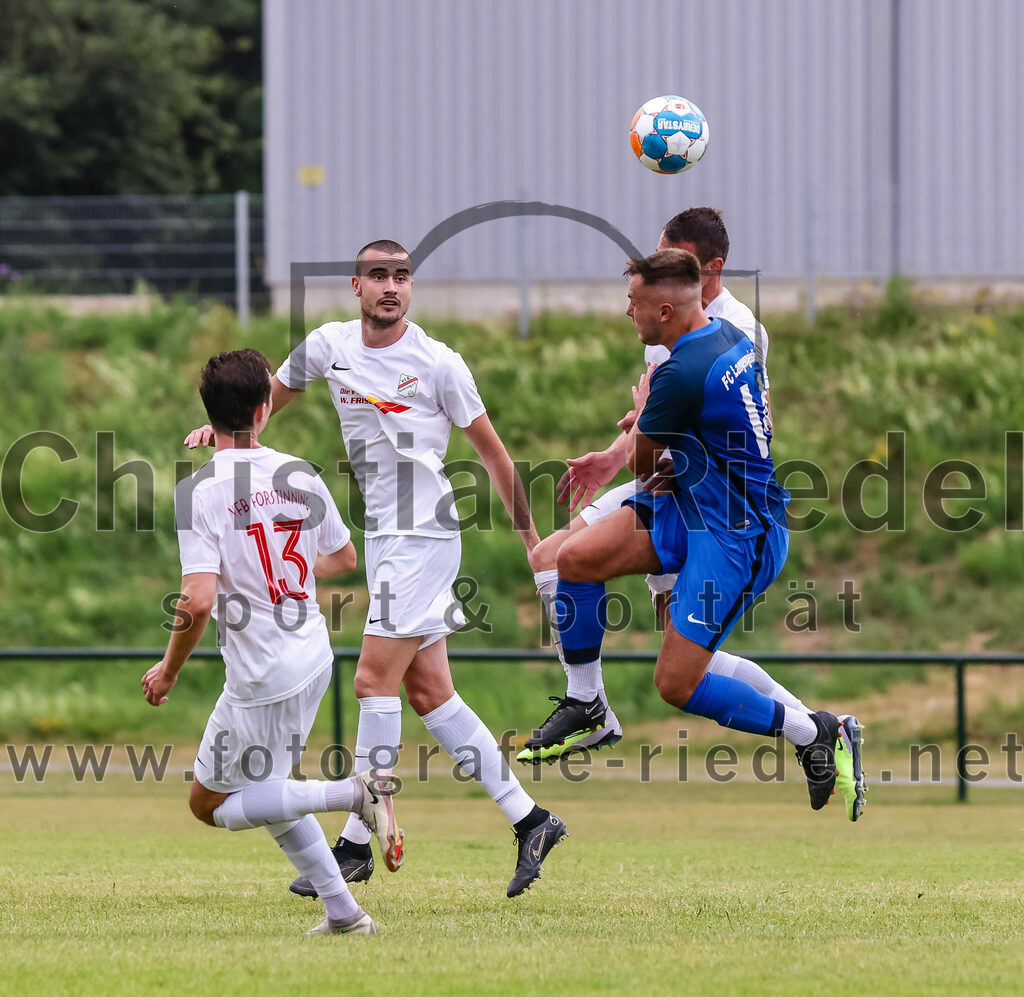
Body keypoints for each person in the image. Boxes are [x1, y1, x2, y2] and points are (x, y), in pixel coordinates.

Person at [185, 242, 567, 898]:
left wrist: (533, 540)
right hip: (386, 535)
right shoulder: (329, 344)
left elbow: (497, 456)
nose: (391, 286)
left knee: (370, 679)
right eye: (379, 276)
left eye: (402, 276)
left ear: (409, 287)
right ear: (356, 285)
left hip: (424, 533)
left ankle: (357, 843)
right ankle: (531, 818)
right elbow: (269, 394)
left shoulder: (440, 364)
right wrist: (220, 428)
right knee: (430, 694)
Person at [520, 209, 865, 823]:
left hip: (737, 535)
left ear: (664, 312)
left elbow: (643, 467)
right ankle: (587, 704)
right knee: (571, 559)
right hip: (694, 501)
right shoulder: (727, 336)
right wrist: (662, 425)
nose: (628, 312)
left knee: (676, 683)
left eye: (634, 302)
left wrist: (653, 419)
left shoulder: (683, 367)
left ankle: (814, 731)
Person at [143, 348, 403, 937]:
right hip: (311, 655)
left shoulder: (199, 491)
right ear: (265, 410)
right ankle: (346, 916)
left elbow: (199, 599)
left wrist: (168, 671)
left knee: (207, 807)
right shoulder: (301, 473)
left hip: (260, 676)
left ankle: (349, 794)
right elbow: (341, 558)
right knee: (271, 791)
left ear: (208, 415)